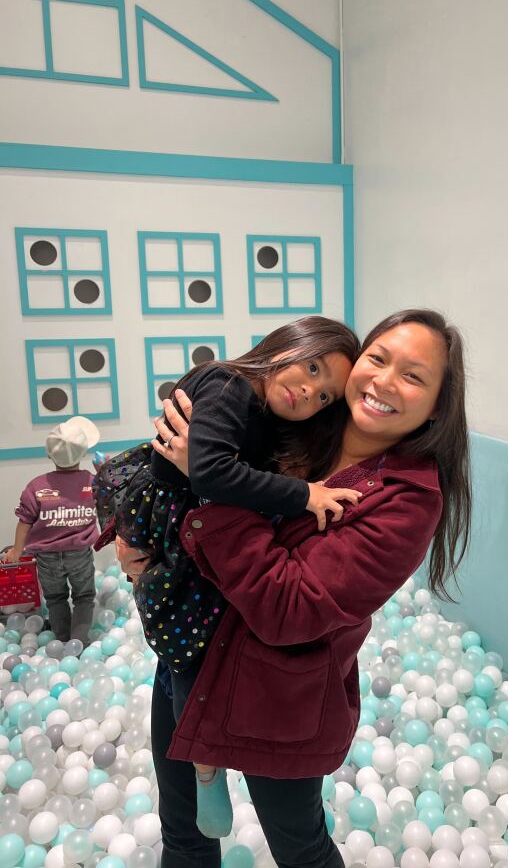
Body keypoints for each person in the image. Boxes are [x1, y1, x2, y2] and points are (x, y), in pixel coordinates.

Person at [119, 308, 472, 868]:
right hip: (193, 656)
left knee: (300, 846)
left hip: (278, 697)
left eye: (413, 376)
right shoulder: (301, 424)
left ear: (437, 408)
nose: (383, 381)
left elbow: (289, 607)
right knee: (183, 835)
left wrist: (207, 488)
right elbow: (188, 497)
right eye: (377, 359)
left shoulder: (408, 498)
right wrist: (144, 549)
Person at [98, 316, 362, 838]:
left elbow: (219, 473)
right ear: (286, 345)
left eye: (325, 396)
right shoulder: (228, 384)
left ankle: (205, 759)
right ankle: (204, 767)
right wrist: (305, 494)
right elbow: (213, 472)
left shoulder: (268, 413)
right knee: (184, 639)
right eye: (310, 367)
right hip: (174, 518)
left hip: (192, 522)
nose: (309, 391)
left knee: (195, 632)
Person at [3, 416, 100, 645]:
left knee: (55, 598)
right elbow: (112, 501)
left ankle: (62, 638)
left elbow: (24, 522)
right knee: (84, 596)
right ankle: (78, 641)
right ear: (83, 454)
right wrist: (103, 472)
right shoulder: (93, 482)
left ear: (49, 454)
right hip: (80, 555)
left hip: (47, 558)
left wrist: (16, 551)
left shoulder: (36, 486)